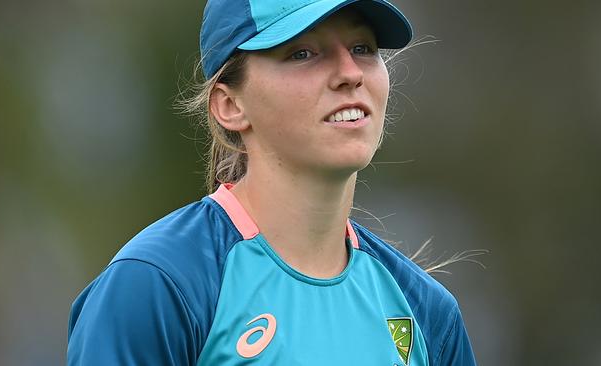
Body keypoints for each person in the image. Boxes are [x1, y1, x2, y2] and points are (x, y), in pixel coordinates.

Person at [67, 0, 477, 365]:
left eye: (362, 48)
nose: (350, 73)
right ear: (230, 106)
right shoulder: (157, 285)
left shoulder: (426, 312)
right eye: (302, 52)